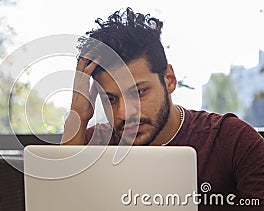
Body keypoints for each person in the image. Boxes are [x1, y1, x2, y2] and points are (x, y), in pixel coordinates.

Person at [61, 7, 264, 210]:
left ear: (169, 80)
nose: (124, 113)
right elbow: (60, 204)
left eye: (139, 93)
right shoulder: (90, 146)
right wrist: (77, 116)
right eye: (111, 99)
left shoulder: (232, 141)